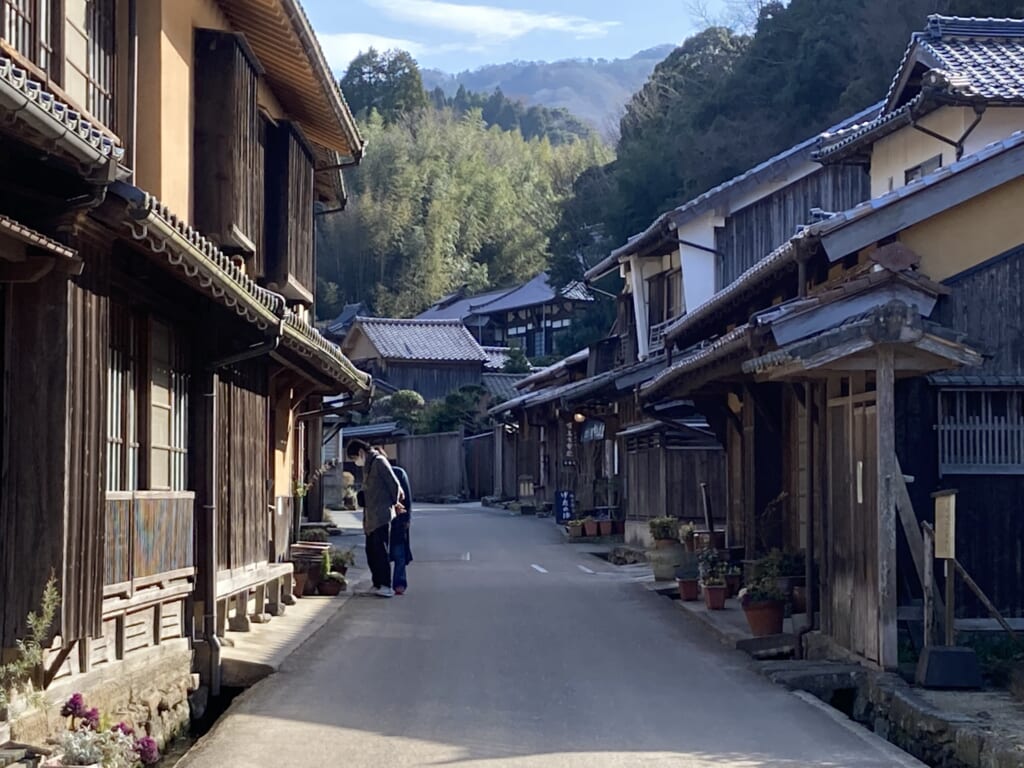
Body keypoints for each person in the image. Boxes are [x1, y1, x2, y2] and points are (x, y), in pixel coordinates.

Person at [347, 439, 401, 598]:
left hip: (381, 514)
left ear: (361, 453)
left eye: (354, 458)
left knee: (381, 551)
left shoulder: (378, 462)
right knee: (371, 552)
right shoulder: (368, 465)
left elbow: (394, 484)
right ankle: (377, 583)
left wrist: (394, 504)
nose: (355, 462)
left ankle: (386, 584)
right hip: (370, 516)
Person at [389, 463, 413, 595]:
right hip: (380, 519)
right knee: (382, 553)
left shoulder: (398, 473)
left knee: (399, 553)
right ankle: (382, 582)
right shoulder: (371, 474)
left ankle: (399, 582)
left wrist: (407, 517)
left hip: (398, 518)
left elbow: (407, 497)